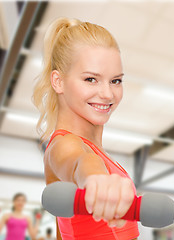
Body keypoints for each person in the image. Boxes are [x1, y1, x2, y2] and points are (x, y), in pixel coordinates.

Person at [32, 17, 139, 240]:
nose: (108, 94)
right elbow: (79, 162)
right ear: (58, 81)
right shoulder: (64, 144)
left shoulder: (98, 151)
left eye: (116, 81)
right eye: (91, 79)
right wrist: (95, 178)